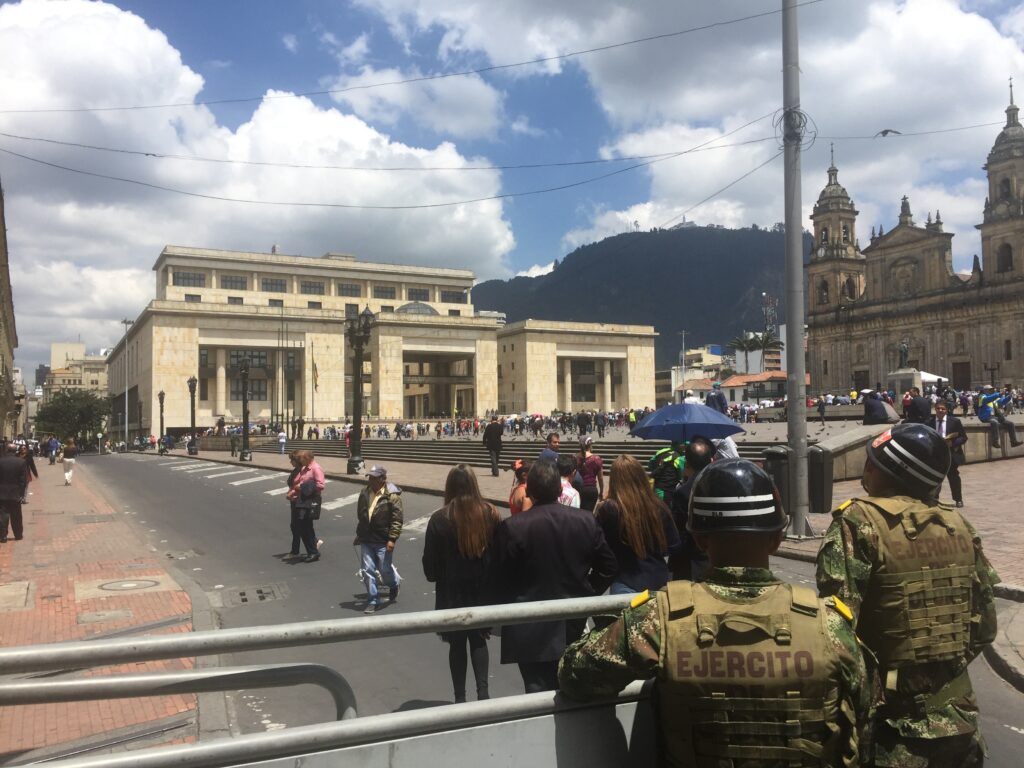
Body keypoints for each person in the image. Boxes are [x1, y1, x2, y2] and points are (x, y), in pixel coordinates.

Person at [560, 459, 870, 767]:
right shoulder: (828, 625)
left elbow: (576, 674)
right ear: (777, 539)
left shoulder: (660, 619)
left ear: (699, 538)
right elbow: (864, 717)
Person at [816, 423, 999, 767]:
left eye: (872, 462)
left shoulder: (858, 522)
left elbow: (836, 635)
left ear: (885, 472)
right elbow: (985, 626)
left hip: (891, 731)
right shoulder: (958, 525)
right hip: (960, 723)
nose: (866, 468)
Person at [489, 460, 617, 693]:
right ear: (560, 490)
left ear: (529, 490)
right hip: (572, 615)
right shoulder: (586, 521)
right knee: (570, 684)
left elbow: (497, 578)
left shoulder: (512, 527)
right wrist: (587, 592)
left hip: (527, 619)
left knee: (536, 688)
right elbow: (609, 567)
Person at [422, 465, 501, 703]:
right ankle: (483, 693)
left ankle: (459, 698)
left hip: (451, 592)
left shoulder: (439, 519)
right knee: (478, 640)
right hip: (482, 591)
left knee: (456, 645)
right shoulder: (490, 513)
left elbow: (430, 569)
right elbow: (498, 557)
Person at [594, 455, 679, 594]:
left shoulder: (609, 509)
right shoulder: (659, 506)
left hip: (624, 580)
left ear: (615, 480)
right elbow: (673, 545)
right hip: (658, 580)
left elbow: (599, 547)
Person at [355, 465, 403, 614]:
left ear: (383, 479)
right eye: (370, 477)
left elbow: (397, 519)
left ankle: (394, 585)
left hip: (383, 539)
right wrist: (359, 534)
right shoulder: (364, 492)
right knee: (367, 570)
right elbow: (362, 516)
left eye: (375, 478)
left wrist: (392, 539)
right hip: (367, 538)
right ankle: (373, 600)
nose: (371, 480)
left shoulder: (392, 496)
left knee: (385, 570)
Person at [668, 435, 715, 581]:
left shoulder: (683, 492)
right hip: (718, 556)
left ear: (687, 463)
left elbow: (680, 533)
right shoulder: (721, 483)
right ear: (711, 460)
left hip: (693, 562)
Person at [287, 450, 324, 562]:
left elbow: (320, 485)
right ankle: (312, 550)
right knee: (304, 526)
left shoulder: (316, 468)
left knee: (304, 526)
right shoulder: (304, 468)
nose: (300, 460)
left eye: (302, 458)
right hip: (301, 499)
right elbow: (297, 484)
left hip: (310, 500)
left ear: (308, 458)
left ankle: (313, 552)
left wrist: (302, 487)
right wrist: (292, 492)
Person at [933, 400, 967, 507]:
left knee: (953, 477)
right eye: (938, 408)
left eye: (943, 408)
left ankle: (958, 499)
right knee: (935, 477)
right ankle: (934, 498)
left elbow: (963, 437)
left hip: (951, 453)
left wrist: (952, 443)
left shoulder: (955, 421)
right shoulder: (929, 422)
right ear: (935, 409)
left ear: (946, 410)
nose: (940, 410)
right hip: (936, 454)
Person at [0, 442, 28, 543]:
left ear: (6, 450)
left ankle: (2, 536)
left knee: (3, 515)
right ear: (16, 451)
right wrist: (21, 494)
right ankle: (18, 535)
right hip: (15, 493)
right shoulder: (20, 462)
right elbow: (23, 481)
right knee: (16, 515)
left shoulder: (1, 461)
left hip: (2, 493)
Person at [978, 383, 1022, 448]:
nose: (992, 390)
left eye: (992, 389)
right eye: (990, 389)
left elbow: (1002, 402)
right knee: (994, 422)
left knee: (1010, 424)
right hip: (985, 417)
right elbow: (987, 399)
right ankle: (995, 442)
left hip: (995, 416)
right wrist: (999, 394)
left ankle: (1013, 441)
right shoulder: (982, 396)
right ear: (985, 390)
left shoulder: (994, 396)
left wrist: (1009, 396)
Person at [576, 436, 604, 511]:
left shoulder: (574, 458)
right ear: (590, 445)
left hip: (577, 490)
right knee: (588, 513)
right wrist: (601, 492)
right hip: (591, 490)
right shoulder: (596, 459)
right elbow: (600, 478)